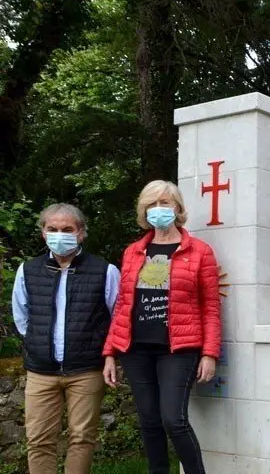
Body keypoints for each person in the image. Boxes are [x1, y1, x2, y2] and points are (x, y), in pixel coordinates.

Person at [102, 180, 221, 474]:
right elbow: (122, 304)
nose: (158, 210)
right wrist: (110, 352)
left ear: (177, 208)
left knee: (173, 420)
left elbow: (211, 307)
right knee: (149, 421)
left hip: (178, 348)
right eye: (152, 204)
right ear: (144, 210)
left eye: (165, 203)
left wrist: (209, 353)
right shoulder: (133, 252)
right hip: (135, 349)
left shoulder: (199, 251)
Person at [11, 203, 120, 474]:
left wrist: (107, 354)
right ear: (43, 233)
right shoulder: (27, 270)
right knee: (38, 440)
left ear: (81, 233)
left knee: (82, 438)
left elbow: (117, 317)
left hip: (86, 369)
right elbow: (22, 316)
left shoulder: (105, 271)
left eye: (68, 229)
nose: (60, 234)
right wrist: (40, 345)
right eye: (53, 229)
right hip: (41, 371)